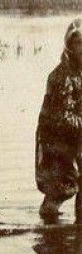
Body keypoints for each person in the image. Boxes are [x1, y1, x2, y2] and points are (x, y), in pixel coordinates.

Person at [36, 18, 82, 222]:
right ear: (70, 46)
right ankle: (48, 227)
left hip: (77, 134)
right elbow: (63, 118)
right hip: (56, 136)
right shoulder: (62, 76)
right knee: (62, 186)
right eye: (79, 43)